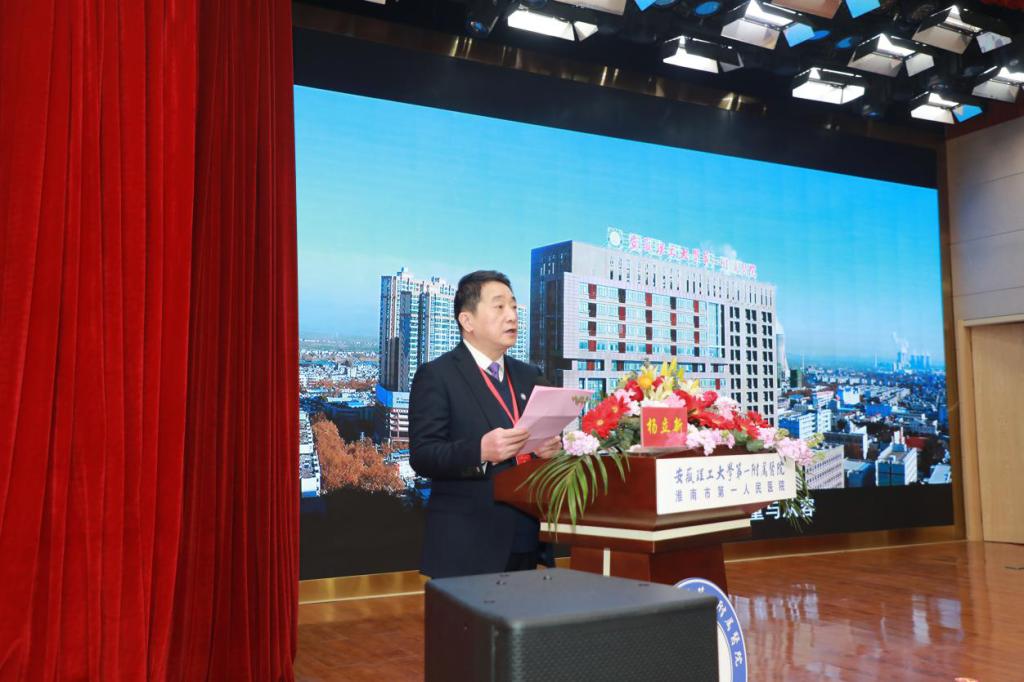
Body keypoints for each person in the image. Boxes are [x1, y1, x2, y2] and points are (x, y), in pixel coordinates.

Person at [409, 270, 561, 578]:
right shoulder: (437, 375)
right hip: (468, 545)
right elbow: (423, 455)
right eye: (499, 306)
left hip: (529, 537)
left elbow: (546, 441)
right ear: (467, 321)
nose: (512, 315)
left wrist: (551, 450)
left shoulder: (530, 375)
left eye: (514, 306)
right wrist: (479, 451)